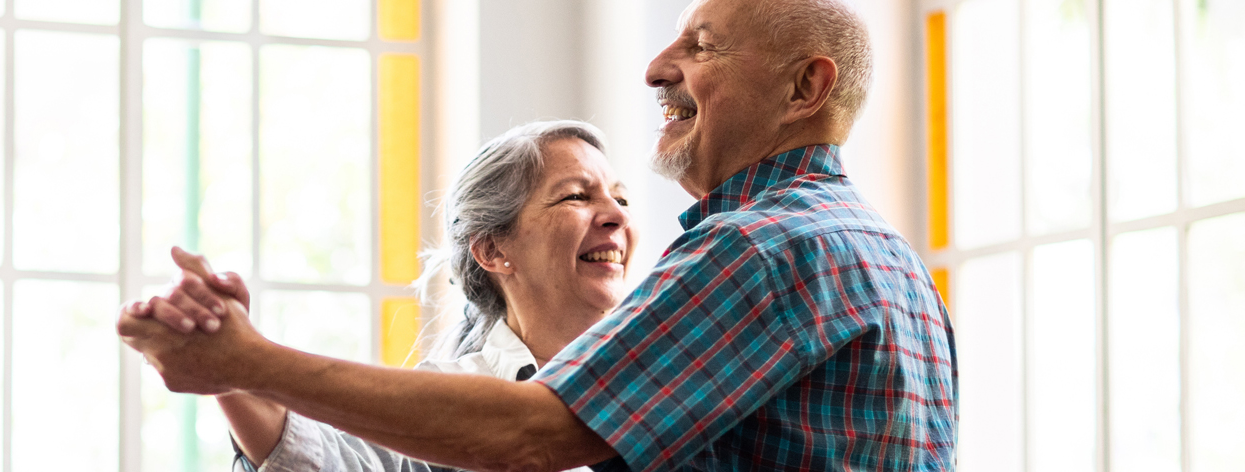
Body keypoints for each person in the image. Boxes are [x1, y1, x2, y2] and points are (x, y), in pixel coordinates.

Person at [121, 0, 956, 470]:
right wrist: (238, 374)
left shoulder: (759, 250)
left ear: (805, 87)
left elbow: (531, 433)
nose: (656, 66)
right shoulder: (894, 264)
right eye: (575, 196)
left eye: (700, 46)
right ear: (494, 249)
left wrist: (246, 361)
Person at [127, 120, 641, 471]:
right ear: (492, 249)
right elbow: (330, 462)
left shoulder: (668, 373)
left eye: (619, 197)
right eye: (577, 195)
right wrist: (228, 367)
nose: (615, 214)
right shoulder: (444, 396)